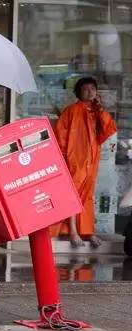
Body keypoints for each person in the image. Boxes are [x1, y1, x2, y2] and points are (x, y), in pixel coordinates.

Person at [51, 77, 116, 248]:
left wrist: (100, 109)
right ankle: (73, 231)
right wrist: (63, 159)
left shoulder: (97, 112)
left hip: (91, 160)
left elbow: (108, 130)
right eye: (86, 89)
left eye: (92, 89)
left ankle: (87, 232)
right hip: (74, 159)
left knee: (87, 195)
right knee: (72, 194)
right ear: (79, 92)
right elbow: (60, 136)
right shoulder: (71, 111)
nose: (90, 92)